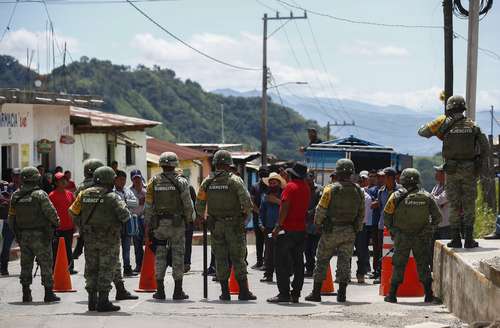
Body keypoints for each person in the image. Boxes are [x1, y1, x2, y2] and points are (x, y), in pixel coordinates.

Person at [418, 95, 489, 248]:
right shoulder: (473, 125)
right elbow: (485, 147)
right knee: (469, 203)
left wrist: (438, 123)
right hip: (469, 169)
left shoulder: (444, 123)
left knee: (454, 204)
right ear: (463, 108)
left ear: (449, 108)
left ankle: (455, 238)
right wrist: (477, 161)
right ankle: (469, 239)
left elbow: (422, 132)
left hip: (451, 170)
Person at [72, 158, 137, 302]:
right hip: (108, 235)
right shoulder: (110, 191)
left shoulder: (82, 190)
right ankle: (114, 293)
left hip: (88, 233)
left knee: (92, 265)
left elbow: (73, 211)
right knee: (111, 264)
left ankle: (92, 298)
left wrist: (83, 225)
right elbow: (124, 215)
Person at [196, 150, 256, 301]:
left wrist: (201, 217)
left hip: (216, 225)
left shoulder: (207, 181)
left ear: (215, 164)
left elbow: (199, 203)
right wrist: (243, 217)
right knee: (238, 258)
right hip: (234, 225)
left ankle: (225, 292)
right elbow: (247, 203)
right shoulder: (235, 180)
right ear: (229, 165)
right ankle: (243, 292)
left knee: (220, 258)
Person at [305, 159, 364, 303]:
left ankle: (316, 293)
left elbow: (321, 209)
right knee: (345, 262)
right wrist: (356, 228)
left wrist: (318, 224)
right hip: (349, 230)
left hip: (331, 230)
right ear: (351, 173)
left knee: (322, 260)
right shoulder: (358, 190)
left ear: (337, 172)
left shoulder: (330, 189)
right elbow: (361, 213)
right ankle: (342, 294)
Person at [383, 168, 442, 303]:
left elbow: (386, 216)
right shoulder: (427, 196)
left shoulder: (395, 196)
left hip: (402, 237)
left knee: (398, 264)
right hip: (421, 237)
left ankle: (392, 295)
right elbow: (437, 218)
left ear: (403, 180)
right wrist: (428, 230)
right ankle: (428, 294)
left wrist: (393, 231)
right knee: (423, 264)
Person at [8, 167, 61, 303]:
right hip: (41, 235)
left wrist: (17, 235)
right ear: (36, 178)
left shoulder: (16, 195)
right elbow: (51, 213)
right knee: (45, 264)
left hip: (23, 236)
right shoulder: (40, 195)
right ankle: (48, 293)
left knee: (26, 265)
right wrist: (57, 224)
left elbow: (11, 218)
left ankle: (26, 293)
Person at [146, 152, 194, 300]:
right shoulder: (182, 181)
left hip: (159, 225)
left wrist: (148, 225)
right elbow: (187, 203)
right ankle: (177, 291)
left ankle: (160, 291)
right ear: (175, 164)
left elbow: (148, 205)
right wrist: (190, 219)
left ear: (161, 164)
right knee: (178, 256)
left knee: (160, 256)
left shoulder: (153, 181)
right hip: (177, 225)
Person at [267, 162, 311, 303]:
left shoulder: (290, 187)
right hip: (301, 229)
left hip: (287, 230)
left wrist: (278, 226)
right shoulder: (306, 188)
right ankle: (296, 293)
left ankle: (284, 293)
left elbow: (285, 207)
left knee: (281, 263)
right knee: (298, 263)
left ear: (292, 174)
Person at [72, 159, 105, 260]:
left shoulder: (81, 187)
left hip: (86, 223)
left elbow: (75, 208)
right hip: (101, 223)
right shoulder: (103, 186)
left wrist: (79, 223)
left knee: (90, 253)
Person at [373, 167, 401, 284]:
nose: (381, 179)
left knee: (397, 251)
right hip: (383, 226)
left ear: (390, 177)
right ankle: (381, 274)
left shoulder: (400, 191)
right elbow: (381, 207)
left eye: (384, 176)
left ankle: (395, 274)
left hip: (397, 227)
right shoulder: (381, 191)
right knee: (381, 250)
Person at [258, 172, 285, 282]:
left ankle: (282, 276)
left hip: (281, 228)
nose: (272, 185)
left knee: (281, 252)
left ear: (279, 184)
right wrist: (260, 224)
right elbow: (261, 212)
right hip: (268, 228)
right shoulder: (265, 196)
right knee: (269, 252)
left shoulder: (284, 195)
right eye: (271, 183)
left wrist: (278, 202)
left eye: (274, 183)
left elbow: (287, 208)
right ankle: (268, 275)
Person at [49, 172, 77, 274]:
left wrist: (75, 223)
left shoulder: (69, 194)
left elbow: (75, 208)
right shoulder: (51, 195)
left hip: (69, 226)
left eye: (65, 179)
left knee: (68, 247)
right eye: (61, 180)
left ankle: (70, 267)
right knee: (56, 249)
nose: (64, 181)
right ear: (56, 182)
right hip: (57, 228)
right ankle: (55, 268)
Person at [114, 170, 138, 277]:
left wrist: (123, 203)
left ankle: (127, 268)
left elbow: (136, 203)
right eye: (120, 180)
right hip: (115, 223)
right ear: (115, 180)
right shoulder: (111, 191)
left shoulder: (127, 191)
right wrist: (127, 204)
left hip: (128, 222)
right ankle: (115, 269)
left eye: (124, 180)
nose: (122, 182)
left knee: (127, 247)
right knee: (114, 247)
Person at [0, 168, 20, 276]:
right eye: (15, 176)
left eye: (18, 176)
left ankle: (27, 268)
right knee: (6, 247)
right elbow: (3, 199)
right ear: (12, 176)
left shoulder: (25, 189)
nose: (16, 178)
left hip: (22, 224)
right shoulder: (7, 188)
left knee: (28, 246)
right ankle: (3, 268)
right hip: (9, 223)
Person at [249, 167, 269, 270]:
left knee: (268, 240)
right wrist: (260, 212)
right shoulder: (254, 187)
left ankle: (267, 262)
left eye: (265, 175)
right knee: (259, 240)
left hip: (268, 218)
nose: (263, 178)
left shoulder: (270, 186)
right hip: (258, 217)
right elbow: (252, 202)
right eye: (261, 175)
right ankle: (259, 261)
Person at [354, 170, 372, 283]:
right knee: (361, 251)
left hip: (354, 225)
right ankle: (360, 274)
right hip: (361, 225)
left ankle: (343, 275)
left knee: (347, 250)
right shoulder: (367, 197)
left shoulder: (353, 195)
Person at [304, 171, 323, 277]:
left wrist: (310, 212)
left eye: (310, 177)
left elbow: (321, 205)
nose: (308, 180)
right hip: (305, 224)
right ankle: (309, 268)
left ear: (313, 178)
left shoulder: (319, 189)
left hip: (316, 223)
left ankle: (317, 269)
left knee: (315, 249)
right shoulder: (303, 189)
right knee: (306, 249)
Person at [129, 169, 146, 273]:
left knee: (150, 242)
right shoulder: (128, 191)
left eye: (138, 178)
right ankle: (139, 265)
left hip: (146, 218)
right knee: (137, 243)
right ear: (132, 179)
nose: (137, 180)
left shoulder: (147, 189)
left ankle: (150, 264)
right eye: (135, 179)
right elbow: (126, 204)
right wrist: (139, 201)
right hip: (135, 219)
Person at [431, 165, 450, 240]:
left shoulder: (450, 187)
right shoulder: (437, 186)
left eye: (437, 172)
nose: (435, 174)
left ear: (444, 174)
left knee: (446, 246)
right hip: (437, 224)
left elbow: (440, 200)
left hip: (447, 225)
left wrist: (431, 198)